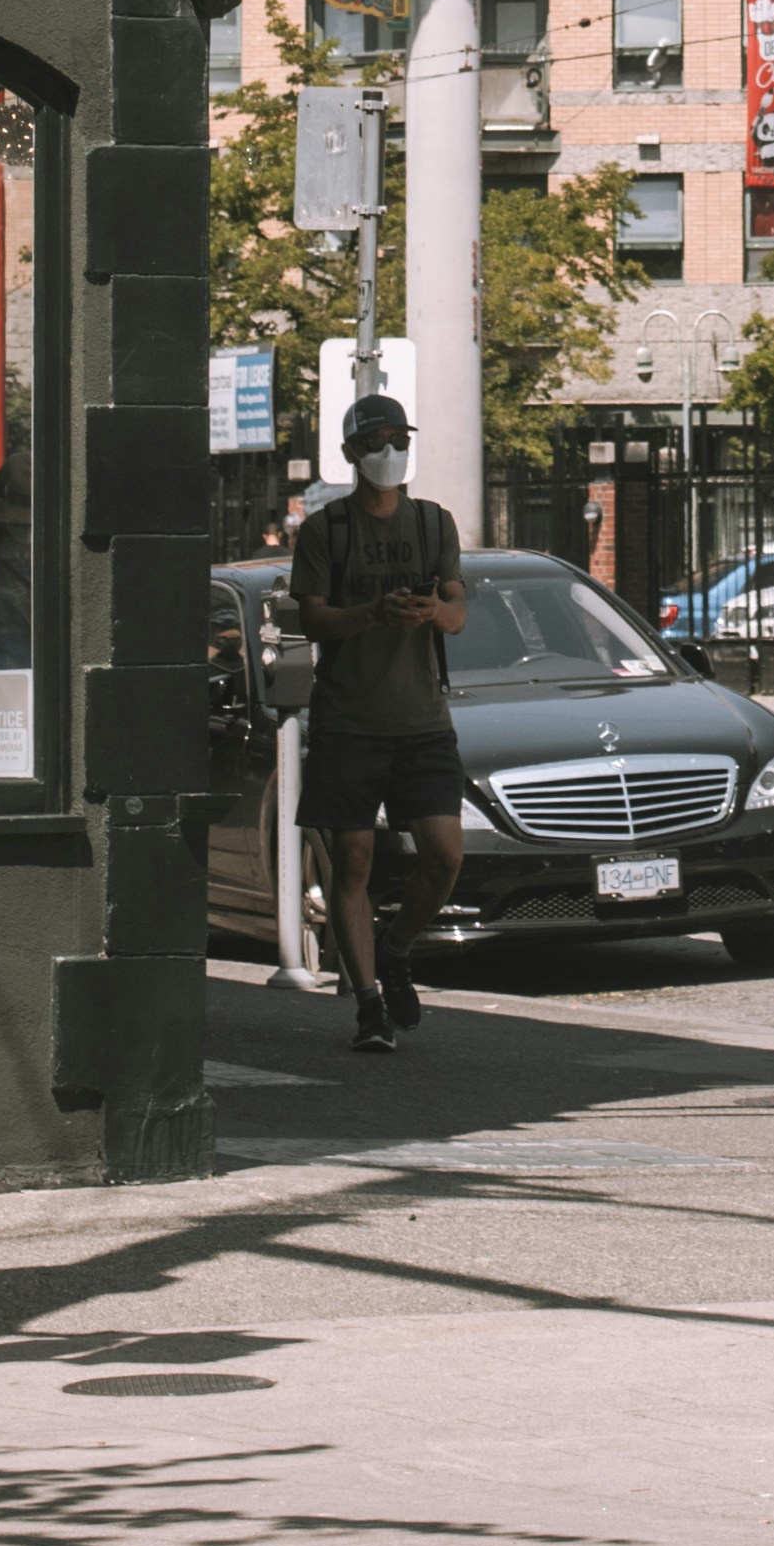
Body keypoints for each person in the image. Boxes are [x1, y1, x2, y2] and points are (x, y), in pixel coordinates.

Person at [287, 391, 468, 1056]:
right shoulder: (326, 530)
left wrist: (428, 613)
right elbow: (311, 618)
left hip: (422, 718)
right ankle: (368, 1003)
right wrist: (370, 614)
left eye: (400, 441)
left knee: (445, 856)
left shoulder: (432, 524)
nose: (391, 455)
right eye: (377, 444)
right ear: (351, 455)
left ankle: (396, 950)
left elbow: (457, 611)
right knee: (353, 862)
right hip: (349, 721)